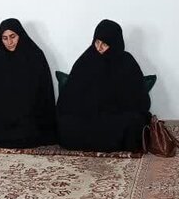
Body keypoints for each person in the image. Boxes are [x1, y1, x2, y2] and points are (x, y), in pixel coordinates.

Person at [57, 19, 150, 152]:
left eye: (104, 44)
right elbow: (70, 96)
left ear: (115, 44)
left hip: (116, 115)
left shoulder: (126, 62)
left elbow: (140, 100)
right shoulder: (86, 59)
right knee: (66, 124)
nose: (99, 48)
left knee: (134, 123)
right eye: (97, 42)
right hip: (88, 115)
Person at [0, 18, 56, 148]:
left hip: (28, 112)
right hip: (3, 113)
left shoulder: (35, 55)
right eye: (5, 38)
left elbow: (43, 92)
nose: (9, 42)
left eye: (13, 36)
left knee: (28, 132)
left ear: (20, 35)